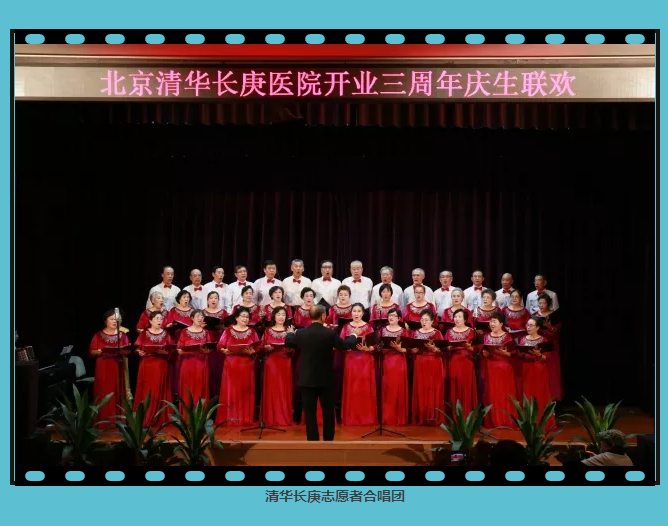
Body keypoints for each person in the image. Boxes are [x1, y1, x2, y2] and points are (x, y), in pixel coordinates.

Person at [285, 305, 357, 441]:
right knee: (328, 412)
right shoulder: (329, 333)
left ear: (310, 316)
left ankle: (313, 442)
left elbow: (289, 342)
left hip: (307, 379)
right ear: (323, 316)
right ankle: (328, 441)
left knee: (310, 414)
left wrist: (290, 333)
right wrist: (353, 336)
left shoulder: (301, 333)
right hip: (326, 379)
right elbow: (346, 345)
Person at [216, 307, 260, 426]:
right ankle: (230, 417)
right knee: (231, 391)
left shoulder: (252, 331)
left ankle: (245, 418)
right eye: (243, 316)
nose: (245, 319)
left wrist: (253, 351)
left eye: (247, 317)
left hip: (246, 364)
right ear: (236, 318)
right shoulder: (228, 331)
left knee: (245, 391)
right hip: (231, 364)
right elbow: (219, 346)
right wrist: (224, 350)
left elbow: (257, 347)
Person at [89, 309, 131, 429]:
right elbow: (91, 352)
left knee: (117, 391)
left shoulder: (122, 335)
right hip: (103, 366)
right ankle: (103, 421)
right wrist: (98, 351)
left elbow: (128, 351)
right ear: (105, 321)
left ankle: (118, 421)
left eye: (117, 319)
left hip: (117, 366)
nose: (114, 321)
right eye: (112, 319)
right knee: (103, 391)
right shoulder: (98, 335)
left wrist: (122, 351)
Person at [340, 303, 378, 425]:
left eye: (359, 311)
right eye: (354, 311)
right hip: (351, 360)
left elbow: (375, 345)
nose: (356, 314)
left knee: (364, 388)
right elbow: (340, 343)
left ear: (363, 313)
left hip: (365, 360)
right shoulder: (346, 327)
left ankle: (366, 417)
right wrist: (347, 347)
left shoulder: (369, 327)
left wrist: (368, 348)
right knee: (353, 387)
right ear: (351, 313)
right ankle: (351, 417)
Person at [134, 311, 173, 427]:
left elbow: (170, 350)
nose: (159, 321)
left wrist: (165, 352)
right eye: (157, 318)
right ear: (150, 321)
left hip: (160, 365)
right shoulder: (144, 334)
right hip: (146, 365)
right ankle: (145, 417)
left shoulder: (166, 334)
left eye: (161, 319)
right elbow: (137, 348)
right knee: (147, 391)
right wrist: (139, 352)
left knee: (160, 389)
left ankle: (159, 417)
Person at [407, 309, 445, 426]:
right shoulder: (415, 333)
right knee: (421, 389)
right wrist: (412, 350)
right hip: (420, 362)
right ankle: (421, 416)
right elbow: (410, 349)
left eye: (426, 320)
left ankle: (433, 417)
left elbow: (442, 351)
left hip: (434, 362)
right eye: (422, 320)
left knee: (432, 389)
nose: (424, 322)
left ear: (432, 321)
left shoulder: (437, 333)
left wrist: (434, 349)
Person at [517, 317, 556, 432]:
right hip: (526, 370)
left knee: (539, 394)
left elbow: (547, 357)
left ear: (537, 327)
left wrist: (539, 355)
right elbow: (519, 354)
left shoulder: (544, 340)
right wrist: (523, 354)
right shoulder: (523, 339)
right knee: (527, 394)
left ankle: (541, 421)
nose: (528, 327)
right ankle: (528, 422)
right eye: (527, 325)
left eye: (531, 325)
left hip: (539, 370)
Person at [481, 312, 516, 428]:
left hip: (504, 368)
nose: (492, 324)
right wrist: (485, 354)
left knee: (504, 394)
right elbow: (482, 352)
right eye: (491, 321)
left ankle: (505, 419)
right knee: (492, 393)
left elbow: (513, 354)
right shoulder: (486, 336)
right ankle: (493, 420)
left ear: (501, 324)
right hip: (490, 368)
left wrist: (506, 354)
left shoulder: (507, 336)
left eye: (494, 322)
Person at [261, 306, 294, 426]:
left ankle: (284, 417)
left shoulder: (290, 330)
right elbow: (261, 346)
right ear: (274, 316)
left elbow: (295, 349)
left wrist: (291, 340)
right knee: (272, 389)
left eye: (283, 315)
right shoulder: (267, 331)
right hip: (272, 362)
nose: (281, 317)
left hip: (285, 362)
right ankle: (270, 417)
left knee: (284, 389)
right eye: (278, 314)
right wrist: (266, 348)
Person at [176, 310, 212, 411]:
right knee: (188, 389)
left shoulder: (206, 333)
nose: (200, 318)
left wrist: (204, 350)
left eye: (202, 316)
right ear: (192, 318)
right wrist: (183, 351)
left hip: (201, 364)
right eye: (198, 316)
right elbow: (179, 349)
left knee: (200, 388)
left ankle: (200, 415)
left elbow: (209, 349)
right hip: (188, 364)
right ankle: (187, 415)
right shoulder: (184, 332)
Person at [445, 309, 477, 417]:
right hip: (454, 361)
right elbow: (444, 347)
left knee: (466, 385)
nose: (457, 319)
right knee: (454, 385)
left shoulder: (472, 331)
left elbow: (477, 349)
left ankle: (467, 415)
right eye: (455, 316)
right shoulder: (449, 332)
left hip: (467, 361)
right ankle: (454, 416)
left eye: (459, 316)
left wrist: (470, 348)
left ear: (465, 319)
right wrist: (448, 348)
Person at [379, 308, 409, 425]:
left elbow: (408, 349)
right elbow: (377, 346)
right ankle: (387, 417)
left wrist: (399, 349)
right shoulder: (382, 331)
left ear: (399, 318)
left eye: (393, 315)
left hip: (399, 362)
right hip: (386, 361)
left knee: (398, 388)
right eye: (389, 315)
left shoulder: (404, 332)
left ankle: (398, 417)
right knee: (387, 388)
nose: (391, 317)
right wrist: (379, 346)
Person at [533, 294, 563, 402]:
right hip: (539, 344)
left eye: (544, 303)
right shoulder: (534, 315)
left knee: (552, 372)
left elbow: (557, 332)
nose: (541, 305)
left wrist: (550, 327)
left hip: (552, 346)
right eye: (540, 303)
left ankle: (553, 397)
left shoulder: (554, 316)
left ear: (548, 304)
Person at [502, 289, 531, 396]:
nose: (514, 298)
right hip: (507, 340)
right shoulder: (504, 310)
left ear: (521, 298)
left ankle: (520, 394)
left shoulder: (525, 312)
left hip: (520, 340)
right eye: (512, 296)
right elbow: (500, 324)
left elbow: (528, 327)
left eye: (516, 297)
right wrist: (505, 328)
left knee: (518, 367)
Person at [202, 291, 228, 399]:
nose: (213, 300)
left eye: (216, 298)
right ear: (207, 300)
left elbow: (229, 329)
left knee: (219, 370)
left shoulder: (224, 313)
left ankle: (219, 397)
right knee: (208, 370)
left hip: (220, 343)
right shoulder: (202, 312)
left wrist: (222, 327)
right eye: (211, 298)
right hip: (206, 343)